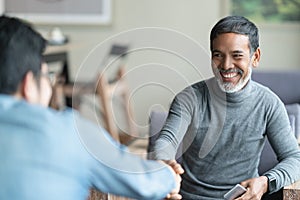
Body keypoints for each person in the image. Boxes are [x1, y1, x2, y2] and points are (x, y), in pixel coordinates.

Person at [0, 15, 184, 200]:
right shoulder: (67, 133)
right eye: (47, 76)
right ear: (29, 85)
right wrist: (169, 176)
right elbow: (144, 181)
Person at [152, 15, 300, 199]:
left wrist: (265, 182)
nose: (226, 65)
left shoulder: (269, 103)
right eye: (218, 55)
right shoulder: (189, 98)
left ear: (255, 57)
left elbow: (294, 158)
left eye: (237, 55)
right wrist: (164, 164)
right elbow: (167, 140)